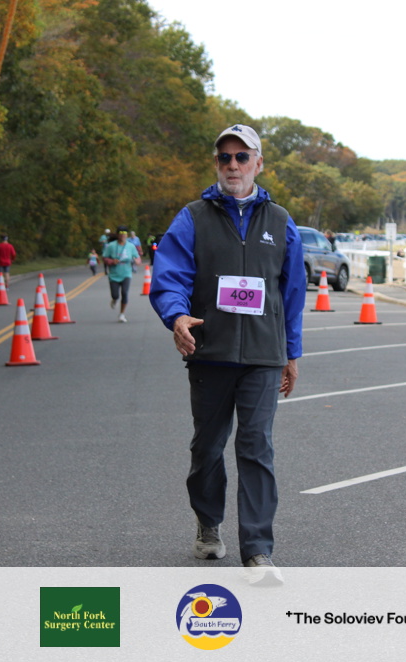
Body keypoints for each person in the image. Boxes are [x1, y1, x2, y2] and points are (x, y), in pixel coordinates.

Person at [149, 124, 305, 584]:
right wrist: (177, 316)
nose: (233, 165)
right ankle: (208, 521)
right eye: (225, 158)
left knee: (256, 447)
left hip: (263, 356)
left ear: (258, 163)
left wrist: (291, 352)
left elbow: (292, 293)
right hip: (210, 352)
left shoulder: (281, 221)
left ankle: (257, 550)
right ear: (216, 164)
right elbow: (170, 275)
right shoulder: (192, 217)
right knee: (208, 448)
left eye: (242, 157)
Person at [102, 229, 140, 322]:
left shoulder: (130, 246)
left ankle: (122, 314)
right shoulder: (111, 245)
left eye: (125, 233)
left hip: (126, 273)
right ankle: (114, 299)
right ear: (117, 235)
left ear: (127, 235)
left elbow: (137, 257)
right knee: (115, 295)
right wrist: (112, 261)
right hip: (114, 274)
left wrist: (137, 261)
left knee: (124, 293)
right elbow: (104, 257)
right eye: (121, 233)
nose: (123, 235)